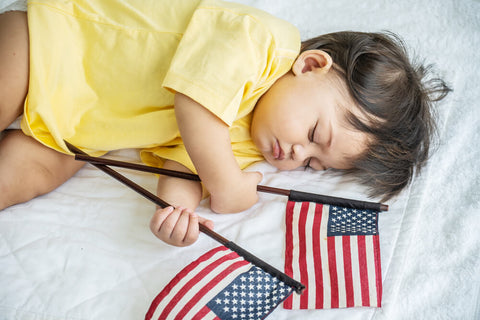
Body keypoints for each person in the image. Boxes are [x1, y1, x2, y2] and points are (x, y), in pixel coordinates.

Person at [0, 0, 449, 247]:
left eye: (313, 165)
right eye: (314, 135)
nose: (297, 155)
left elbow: (180, 165)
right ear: (310, 65)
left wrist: (179, 211)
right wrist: (229, 186)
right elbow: (195, 104)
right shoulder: (263, 42)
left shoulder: (252, 146)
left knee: (28, 178)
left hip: (74, 126)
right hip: (49, 43)